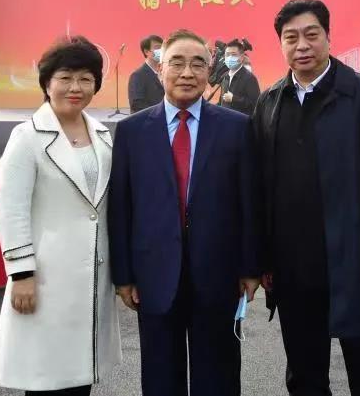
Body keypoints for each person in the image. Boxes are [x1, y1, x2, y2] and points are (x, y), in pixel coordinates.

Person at [253, 0, 360, 396]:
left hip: (354, 262)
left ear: (328, 37)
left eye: (311, 34)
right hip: (292, 266)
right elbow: (261, 189)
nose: (302, 45)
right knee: (304, 374)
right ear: (281, 44)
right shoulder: (270, 101)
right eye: (291, 38)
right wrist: (265, 259)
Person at [108, 29, 261, 396]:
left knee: (218, 377)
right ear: (160, 68)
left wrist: (250, 267)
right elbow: (122, 207)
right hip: (154, 273)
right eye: (177, 63)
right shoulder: (131, 132)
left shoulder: (236, 127)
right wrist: (123, 275)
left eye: (198, 64)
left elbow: (250, 202)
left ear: (210, 71)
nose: (187, 73)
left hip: (219, 273)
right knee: (161, 376)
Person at [0, 37, 122, 395]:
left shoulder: (102, 136)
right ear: (47, 83)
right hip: (46, 278)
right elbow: (11, 209)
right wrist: (21, 273)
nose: (75, 87)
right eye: (65, 77)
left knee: (80, 374)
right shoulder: (27, 137)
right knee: (45, 375)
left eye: (85, 79)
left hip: (92, 277)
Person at [218, 39, 261, 116]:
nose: (230, 57)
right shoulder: (225, 77)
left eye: (233, 54)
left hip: (242, 122)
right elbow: (222, 102)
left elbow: (256, 104)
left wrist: (234, 99)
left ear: (242, 57)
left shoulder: (249, 78)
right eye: (227, 55)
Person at [128, 34, 164, 113]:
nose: (161, 50)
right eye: (157, 47)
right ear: (146, 52)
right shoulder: (137, 75)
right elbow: (137, 104)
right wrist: (159, 113)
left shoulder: (165, 72)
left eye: (162, 47)